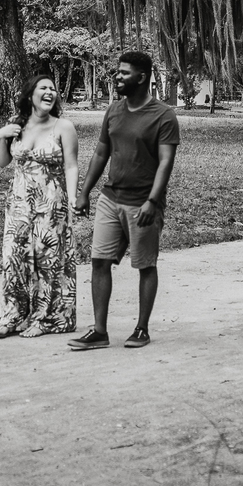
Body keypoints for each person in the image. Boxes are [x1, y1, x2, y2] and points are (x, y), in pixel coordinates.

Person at [70, 51, 180, 350]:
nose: (117, 77)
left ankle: (141, 329)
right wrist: (84, 192)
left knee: (145, 265)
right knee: (99, 261)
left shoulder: (163, 115)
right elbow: (101, 153)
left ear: (142, 77)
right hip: (110, 197)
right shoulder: (114, 110)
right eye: (117, 72)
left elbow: (165, 162)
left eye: (124, 73)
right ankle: (100, 331)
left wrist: (153, 201)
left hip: (142, 202)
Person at [0, 74, 79, 338]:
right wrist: (0, 136)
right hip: (19, 203)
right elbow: (2, 163)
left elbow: (71, 165)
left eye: (53, 88)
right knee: (14, 258)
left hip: (51, 203)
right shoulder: (17, 126)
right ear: (31, 94)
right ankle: (14, 314)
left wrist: (73, 198)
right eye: (43, 88)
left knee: (47, 259)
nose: (50, 92)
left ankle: (47, 317)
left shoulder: (63, 127)